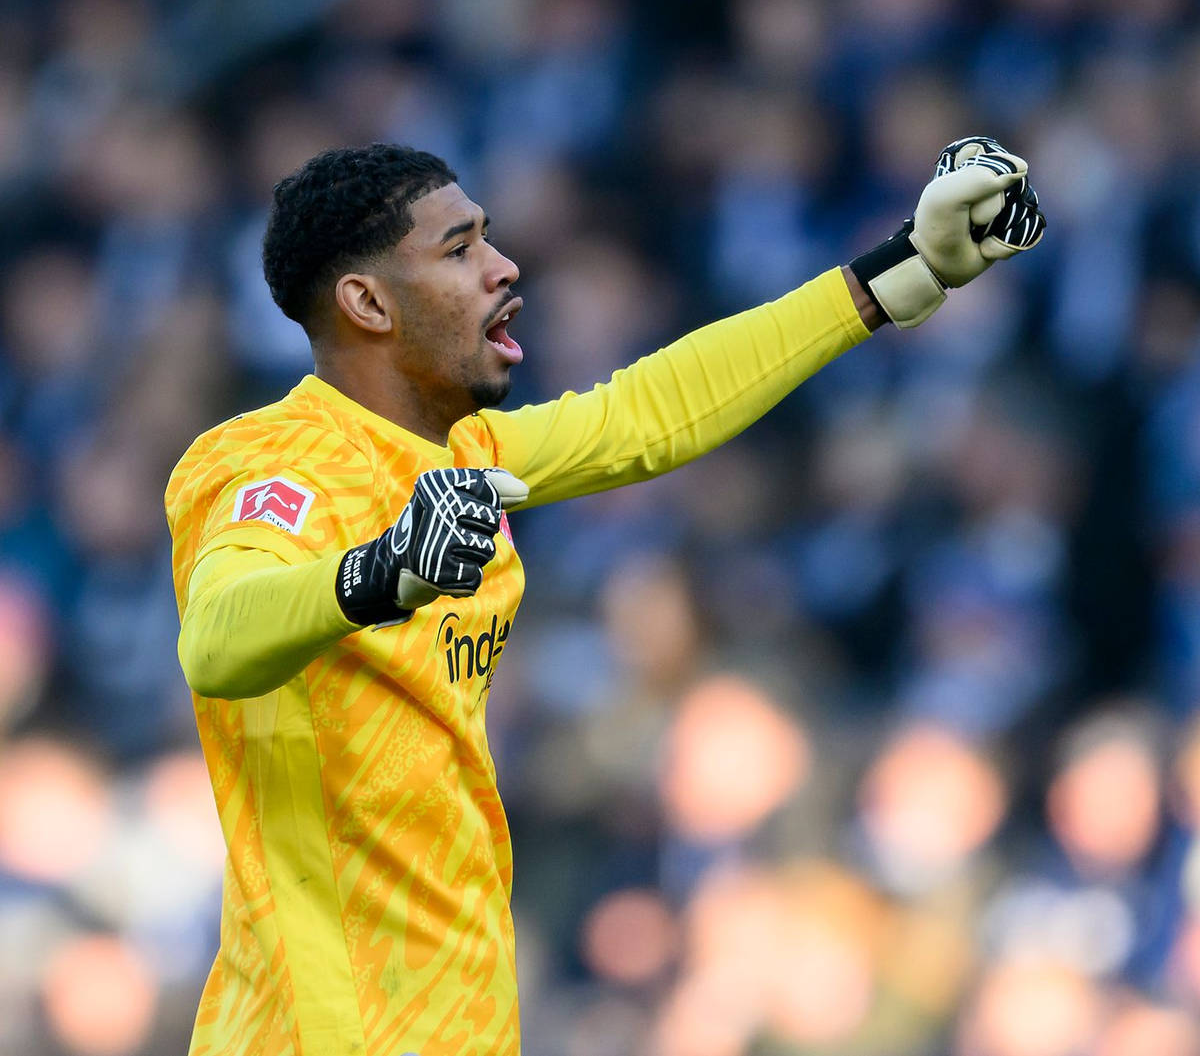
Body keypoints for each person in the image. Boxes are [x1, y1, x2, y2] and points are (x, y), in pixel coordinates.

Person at [164, 139, 1044, 1055]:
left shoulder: (473, 452)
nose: (505, 267)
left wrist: (896, 274)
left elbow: (648, 413)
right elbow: (219, 639)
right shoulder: (270, 460)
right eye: (459, 250)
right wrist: (378, 572)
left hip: (460, 1019)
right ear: (369, 302)